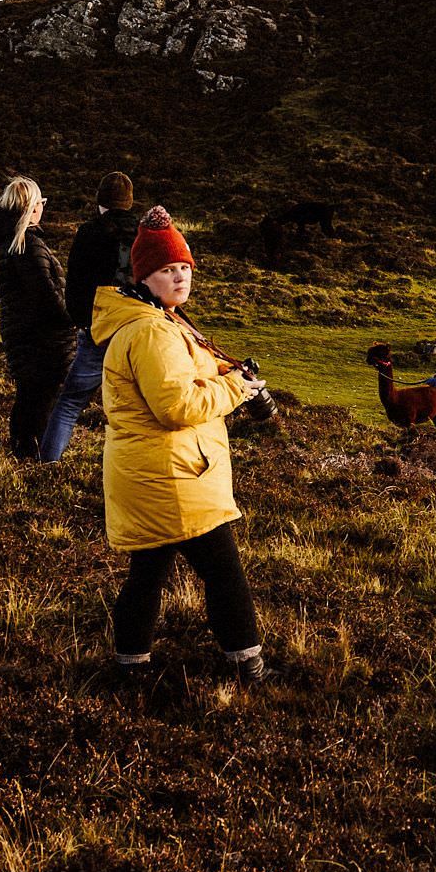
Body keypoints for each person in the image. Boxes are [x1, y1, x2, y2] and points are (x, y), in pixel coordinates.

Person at [91, 206, 269, 682]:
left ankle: (130, 668)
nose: (180, 277)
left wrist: (222, 373)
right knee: (224, 572)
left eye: (185, 268)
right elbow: (175, 406)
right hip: (174, 475)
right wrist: (236, 390)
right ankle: (247, 667)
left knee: (147, 574)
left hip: (156, 471)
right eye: (168, 270)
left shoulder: (157, 320)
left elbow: (179, 382)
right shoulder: (152, 330)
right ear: (145, 275)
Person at [38, 171, 140, 463]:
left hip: (97, 330)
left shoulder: (88, 232)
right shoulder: (143, 234)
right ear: (129, 202)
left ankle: (48, 464)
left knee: (70, 402)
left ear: (100, 202)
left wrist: (83, 321)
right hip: (137, 329)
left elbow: (77, 284)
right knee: (137, 407)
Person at [0, 176, 77, 460]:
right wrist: (72, 316)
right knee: (40, 399)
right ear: (32, 207)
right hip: (42, 337)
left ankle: (24, 457)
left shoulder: (6, 242)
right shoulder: (26, 244)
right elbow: (45, 295)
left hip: (22, 332)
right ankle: (33, 459)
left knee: (30, 396)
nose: (42, 208)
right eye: (41, 202)